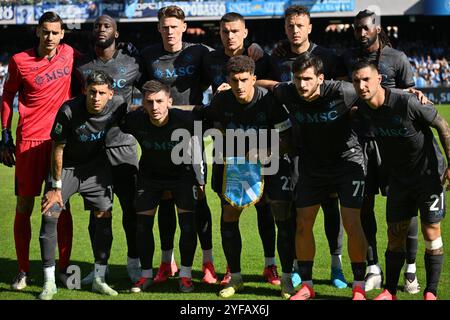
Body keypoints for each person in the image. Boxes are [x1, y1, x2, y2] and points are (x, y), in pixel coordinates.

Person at [262, 53, 368, 300]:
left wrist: (413, 95)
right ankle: (307, 286)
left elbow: (374, 92)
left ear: (321, 78)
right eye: (298, 79)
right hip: (312, 165)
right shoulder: (289, 92)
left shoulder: (342, 91)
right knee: (302, 222)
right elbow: (270, 86)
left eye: (308, 79)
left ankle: (359, 287)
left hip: (347, 161)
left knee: (352, 222)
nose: (302, 85)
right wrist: (245, 83)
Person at [257, 5, 348, 289]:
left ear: (309, 27)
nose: (295, 30)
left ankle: (337, 266)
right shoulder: (276, 57)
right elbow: (257, 83)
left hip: (328, 144)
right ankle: (297, 265)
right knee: (298, 208)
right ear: (284, 28)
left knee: (333, 208)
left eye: (299, 25)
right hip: (291, 146)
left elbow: (344, 91)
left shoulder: (328, 57)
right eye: (290, 26)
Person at [196, 55, 294, 299]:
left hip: (269, 167)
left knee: (281, 217)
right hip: (234, 166)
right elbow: (214, 126)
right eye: (234, 80)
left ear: (254, 79)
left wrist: (266, 151)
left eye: (244, 80)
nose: (239, 86)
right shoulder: (222, 101)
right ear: (227, 80)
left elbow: (288, 137)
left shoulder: (269, 101)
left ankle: (286, 278)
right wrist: (225, 144)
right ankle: (235, 278)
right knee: (229, 216)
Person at [352, 61, 448, 300]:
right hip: (398, 179)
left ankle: (431, 291)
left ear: (379, 80)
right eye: (356, 81)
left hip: (429, 176)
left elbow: (442, 125)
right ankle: (390, 291)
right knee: (395, 233)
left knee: (431, 230)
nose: (361, 85)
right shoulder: (362, 109)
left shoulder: (408, 102)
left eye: (366, 80)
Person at [341, 9, 420, 292]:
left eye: (365, 28)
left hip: (394, 144)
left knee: (405, 206)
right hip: (360, 143)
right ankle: (373, 266)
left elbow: (411, 97)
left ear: (376, 28)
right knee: (363, 206)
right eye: (356, 29)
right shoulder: (349, 58)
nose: (361, 33)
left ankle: (411, 268)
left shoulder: (397, 58)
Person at [201, 12, 281, 287]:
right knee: (228, 210)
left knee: (266, 210)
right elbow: (208, 120)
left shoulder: (261, 58)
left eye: (235, 31)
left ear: (245, 32)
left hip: (261, 155)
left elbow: (278, 89)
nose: (230, 35)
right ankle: (231, 271)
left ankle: (271, 266)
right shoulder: (209, 59)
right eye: (225, 31)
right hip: (228, 153)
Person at [139, 5, 216, 285]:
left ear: (184, 27)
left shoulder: (199, 53)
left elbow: (221, 70)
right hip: (160, 136)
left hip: (191, 135)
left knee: (198, 196)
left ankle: (207, 261)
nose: (170, 31)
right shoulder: (148, 56)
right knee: (165, 199)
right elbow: (139, 92)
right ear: (158, 28)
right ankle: (166, 262)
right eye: (165, 26)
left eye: (175, 26)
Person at [0, 11, 74, 291]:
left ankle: (65, 269)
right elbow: (8, 95)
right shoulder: (20, 60)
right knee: (25, 205)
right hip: (29, 141)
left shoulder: (69, 54)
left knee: (60, 207)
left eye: (55, 32)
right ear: (37, 32)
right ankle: (22, 270)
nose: (50, 37)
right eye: (45, 32)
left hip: (60, 143)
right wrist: (5, 134)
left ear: (62, 34)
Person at [39, 70, 127, 300]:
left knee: (104, 217)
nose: (96, 98)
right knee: (51, 213)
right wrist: (55, 187)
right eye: (92, 92)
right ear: (84, 91)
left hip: (96, 168)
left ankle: (99, 278)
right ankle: (49, 282)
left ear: (110, 94)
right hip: (66, 168)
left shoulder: (118, 105)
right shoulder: (68, 110)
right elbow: (57, 148)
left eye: (101, 93)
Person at [75, 14, 142, 284]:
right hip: (92, 150)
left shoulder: (133, 62)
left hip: (123, 145)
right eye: (97, 26)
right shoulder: (80, 65)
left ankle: (134, 263)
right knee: (99, 212)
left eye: (107, 26)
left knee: (131, 209)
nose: (101, 29)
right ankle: (99, 269)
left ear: (117, 33)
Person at [119, 80, 203, 293]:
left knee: (187, 225)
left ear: (170, 102)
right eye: (149, 102)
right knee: (143, 226)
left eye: (159, 101)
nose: (155, 107)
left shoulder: (186, 119)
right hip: (150, 177)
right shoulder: (135, 120)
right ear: (142, 104)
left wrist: (201, 179)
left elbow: (210, 130)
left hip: (182, 176)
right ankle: (146, 275)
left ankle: (185, 275)